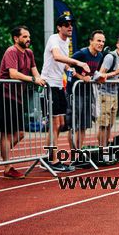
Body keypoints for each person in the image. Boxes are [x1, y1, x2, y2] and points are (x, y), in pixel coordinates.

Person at [0, 26, 46, 179]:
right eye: (25, 37)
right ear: (16, 38)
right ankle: (7, 168)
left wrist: (39, 79)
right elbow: (13, 74)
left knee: (20, 133)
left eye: (29, 36)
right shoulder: (11, 51)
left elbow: (34, 70)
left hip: (17, 97)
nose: (28, 39)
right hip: (4, 95)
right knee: (6, 133)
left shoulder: (29, 53)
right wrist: (33, 80)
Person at [41, 13, 91, 172]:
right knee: (55, 124)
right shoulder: (54, 39)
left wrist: (78, 76)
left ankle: (49, 157)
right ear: (59, 27)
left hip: (58, 85)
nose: (70, 27)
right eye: (66, 24)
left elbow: (64, 66)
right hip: (48, 84)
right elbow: (56, 57)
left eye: (71, 24)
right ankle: (52, 160)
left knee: (61, 124)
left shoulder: (67, 41)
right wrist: (78, 62)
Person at [96, 35, 119, 163]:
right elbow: (100, 75)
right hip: (104, 94)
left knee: (110, 125)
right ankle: (102, 152)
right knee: (103, 124)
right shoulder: (110, 57)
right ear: (118, 45)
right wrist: (115, 74)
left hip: (115, 94)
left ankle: (104, 151)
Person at [69, 30, 106, 151]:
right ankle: (74, 153)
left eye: (103, 41)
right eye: (98, 40)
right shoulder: (82, 53)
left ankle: (79, 152)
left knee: (84, 125)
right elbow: (66, 66)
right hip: (75, 92)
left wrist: (98, 78)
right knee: (74, 125)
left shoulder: (100, 56)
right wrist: (80, 77)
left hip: (88, 92)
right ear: (91, 41)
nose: (101, 43)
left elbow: (91, 73)